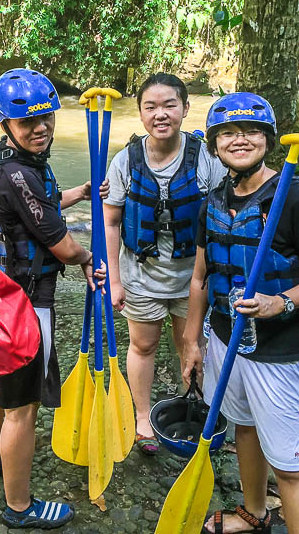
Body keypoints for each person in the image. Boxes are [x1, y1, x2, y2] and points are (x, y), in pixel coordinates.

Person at [181, 93, 299, 534]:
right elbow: (199, 278)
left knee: (291, 468)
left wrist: (282, 301)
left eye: (250, 132)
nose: (239, 141)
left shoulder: (295, 200)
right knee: (245, 429)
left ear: (268, 140)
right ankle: (254, 512)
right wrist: (190, 342)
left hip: (281, 353)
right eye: (227, 134)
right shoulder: (212, 201)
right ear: (214, 143)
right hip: (224, 339)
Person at [0, 68, 103, 530]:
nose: (40, 127)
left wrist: (79, 193)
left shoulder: (5, 163)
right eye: (27, 122)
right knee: (22, 408)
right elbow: (62, 245)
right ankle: (19, 506)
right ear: (5, 124)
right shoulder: (19, 173)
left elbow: (33, 210)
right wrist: (88, 258)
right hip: (22, 305)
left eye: (46, 117)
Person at [103, 72, 226, 455]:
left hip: (194, 277)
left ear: (186, 109)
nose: (160, 114)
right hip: (142, 276)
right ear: (139, 114)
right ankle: (143, 418)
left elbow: (227, 209)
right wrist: (115, 281)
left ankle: (192, 405)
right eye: (150, 107)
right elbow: (110, 221)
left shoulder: (207, 157)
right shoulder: (125, 160)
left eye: (169, 105)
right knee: (143, 345)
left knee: (191, 345)